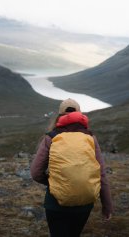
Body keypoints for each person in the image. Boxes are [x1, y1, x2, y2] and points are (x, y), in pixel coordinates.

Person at [30, 98, 113, 237]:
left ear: (59, 115)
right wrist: (107, 205)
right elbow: (101, 174)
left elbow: (35, 173)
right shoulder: (90, 137)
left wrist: (54, 182)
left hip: (55, 203)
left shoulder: (52, 137)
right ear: (79, 114)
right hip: (84, 203)